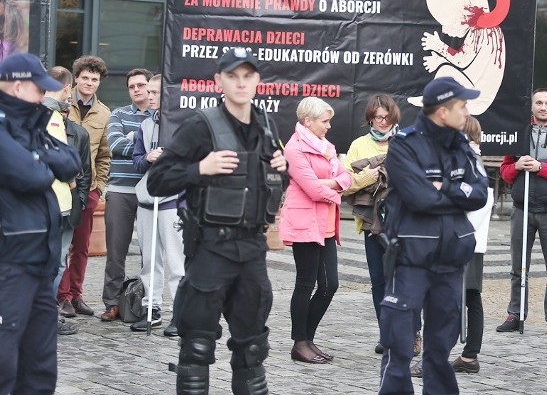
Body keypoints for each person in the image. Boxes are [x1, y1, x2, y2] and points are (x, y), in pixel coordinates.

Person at [147, 48, 289, 394]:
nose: (241, 83)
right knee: (196, 347)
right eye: (232, 76)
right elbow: (157, 181)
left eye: (247, 76)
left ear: (257, 81)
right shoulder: (200, 126)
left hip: (253, 249)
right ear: (218, 81)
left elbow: (272, 184)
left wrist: (282, 173)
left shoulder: (267, 126)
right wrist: (199, 169)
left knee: (252, 348)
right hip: (211, 249)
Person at [378, 76, 489, 395]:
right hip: (411, 259)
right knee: (398, 344)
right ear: (442, 111)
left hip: (451, 260)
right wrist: (456, 195)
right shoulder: (404, 144)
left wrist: (448, 188)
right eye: (462, 105)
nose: (467, 111)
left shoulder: (464, 145)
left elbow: (480, 193)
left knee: (440, 348)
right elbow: (419, 198)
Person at [0, 52, 81, 393]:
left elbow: (71, 162)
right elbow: (31, 176)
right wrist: (40, 161)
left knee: (40, 364)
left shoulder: (32, 124)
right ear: (18, 87)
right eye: (39, 90)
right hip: (10, 261)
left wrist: (37, 154)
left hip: (40, 262)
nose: (44, 97)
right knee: (4, 361)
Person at [280, 96, 352, 364]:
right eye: (325, 121)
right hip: (305, 223)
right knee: (305, 283)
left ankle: (307, 339)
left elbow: (347, 177)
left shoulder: (326, 146)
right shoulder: (294, 148)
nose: (329, 126)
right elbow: (311, 188)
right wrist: (335, 187)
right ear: (307, 122)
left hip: (326, 223)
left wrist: (330, 183)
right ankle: (300, 343)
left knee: (330, 284)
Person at [496, 88, 547, 335]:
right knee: (519, 267)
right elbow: (504, 172)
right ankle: (515, 313)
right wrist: (517, 165)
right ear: (531, 106)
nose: (543, 107)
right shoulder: (519, 133)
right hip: (522, 209)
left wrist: (541, 167)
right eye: (538, 102)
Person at [342, 94, 401, 354]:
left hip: (402, 224)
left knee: (401, 281)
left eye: (387, 117)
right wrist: (370, 176)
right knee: (378, 281)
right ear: (370, 118)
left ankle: (410, 333)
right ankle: (386, 335)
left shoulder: (405, 142)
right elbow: (346, 183)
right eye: (378, 117)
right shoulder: (358, 146)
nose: (383, 122)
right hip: (370, 225)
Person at [130, 74, 185, 335]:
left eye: (154, 92)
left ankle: (182, 314)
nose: (149, 96)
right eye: (148, 92)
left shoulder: (182, 124)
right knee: (149, 260)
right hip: (147, 198)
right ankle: (151, 308)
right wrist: (148, 158)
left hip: (172, 200)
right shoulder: (145, 125)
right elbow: (137, 161)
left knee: (176, 260)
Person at [57, 55, 111, 318]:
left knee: (81, 246)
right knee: (61, 244)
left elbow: (104, 155)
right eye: (85, 77)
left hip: (87, 190)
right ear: (76, 78)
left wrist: (98, 187)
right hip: (60, 188)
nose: (89, 82)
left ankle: (76, 295)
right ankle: (62, 295)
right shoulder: (62, 105)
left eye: (94, 79)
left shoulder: (105, 113)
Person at [100, 68, 152, 322]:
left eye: (141, 85)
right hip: (120, 190)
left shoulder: (162, 116)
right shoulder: (118, 114)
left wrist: (134, 142)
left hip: (150, 192)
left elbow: (165, 147)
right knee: (115, 252)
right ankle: (112, 303)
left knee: (149, 253)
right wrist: (145, 147)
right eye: (132, 86)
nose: (136, 90)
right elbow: (114, 145)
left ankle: (146, 304)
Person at [45, 66, 92, 336]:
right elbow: (63, 161)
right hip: (55, 203)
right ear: (66, 88)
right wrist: (72, 178)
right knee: (53, 263)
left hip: (53, 203)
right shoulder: (50, 116)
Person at [452, 115, 495, 374]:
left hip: (462, 240)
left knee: (466, 296)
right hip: (467, 239)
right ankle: (469, 356)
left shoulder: (469, 162)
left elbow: (473, 203)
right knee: (469, 296)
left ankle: (469, 356)